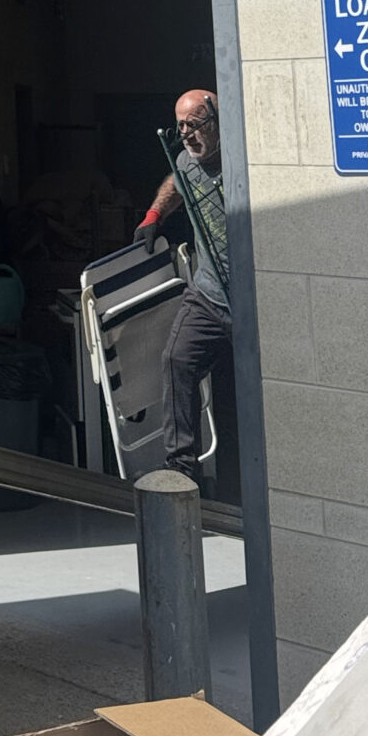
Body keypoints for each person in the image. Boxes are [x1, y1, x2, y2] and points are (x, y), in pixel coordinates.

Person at [133, 88, 230, 482]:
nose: (188, 134)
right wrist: (154, 214)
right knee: (177, 359)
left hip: (253, 299)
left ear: (218, 121)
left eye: (196, 124)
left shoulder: (243, 163)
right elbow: (177, 178)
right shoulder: (186, 160)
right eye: (181, 126)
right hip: (208, 295)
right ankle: (181, 465)